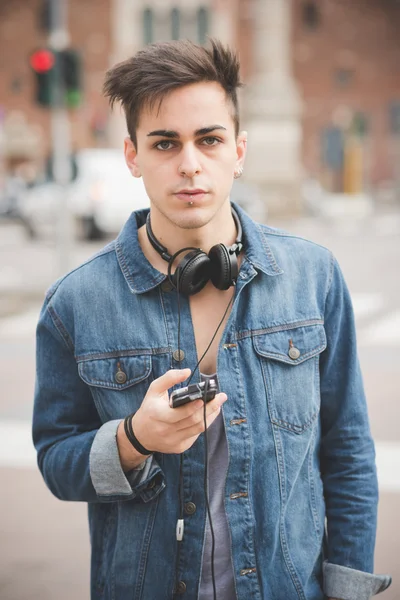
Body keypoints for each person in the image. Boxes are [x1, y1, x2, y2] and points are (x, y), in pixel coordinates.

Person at [32, 39, 391, 600]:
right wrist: (134, 439)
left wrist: (348, 589)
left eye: (209, 139)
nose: (190, 164)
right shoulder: (74, 302)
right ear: (132, 156)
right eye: (165, 143)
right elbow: (56, 461)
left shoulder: (313, 277)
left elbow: (347, 454)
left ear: (239, 151)